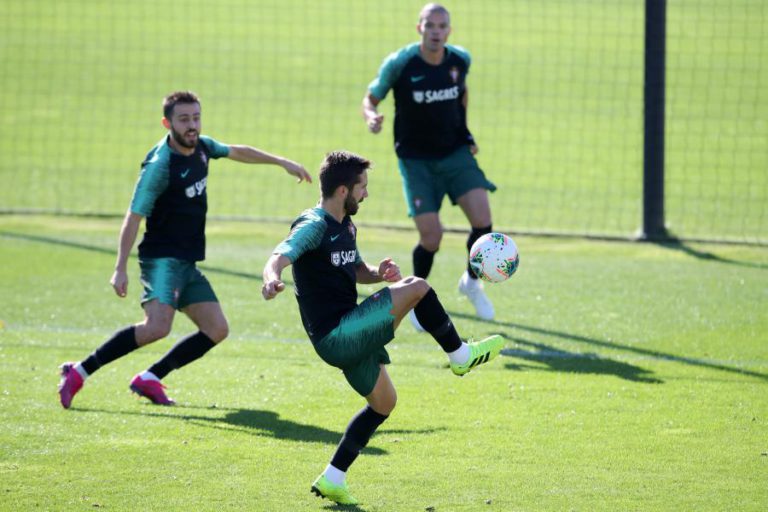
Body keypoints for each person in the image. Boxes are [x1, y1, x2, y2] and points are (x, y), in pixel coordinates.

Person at [262, 150, 504, 505]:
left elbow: (354, 268)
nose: (367, 194)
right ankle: (461, 355)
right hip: (338, 334)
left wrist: (377, 273)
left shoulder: (345, 225)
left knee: (384, 403)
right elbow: (279, 256)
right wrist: (271, 279)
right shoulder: (314, 225)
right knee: (418, 286)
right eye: (362, 187)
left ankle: (333, 477)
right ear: (343, 190)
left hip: (345, 331)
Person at [57, 90, 312, 409]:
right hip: (161, 259)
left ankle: (150, 378)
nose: (192, 125)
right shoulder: (160, 167)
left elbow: (237, 151)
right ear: (168, 123)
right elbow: (133, 216)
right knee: (156, 328)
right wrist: (120, 266)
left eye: (196, 117)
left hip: (186, 261)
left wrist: (281, 162)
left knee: (217, 329)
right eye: (184, 119)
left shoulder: (202, 147)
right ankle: (77, 371)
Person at [362, 3, 498, 329]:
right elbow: (371, 97)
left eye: (442, 26)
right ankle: (415, 299)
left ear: (449, 31)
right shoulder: (401, 63)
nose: (436, 31)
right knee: (432, 237)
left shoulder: (459, 60)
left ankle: (471, 281)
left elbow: (461, 94)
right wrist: (371, 116)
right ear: (419, 28)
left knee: (483, 222)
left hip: (455, 154)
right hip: (416, 160)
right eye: (430, 25)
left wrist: (465, 131)